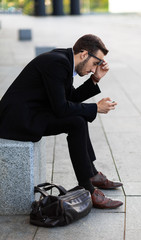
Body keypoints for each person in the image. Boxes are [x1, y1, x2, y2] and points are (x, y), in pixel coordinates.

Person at [0, 34, 123, 209]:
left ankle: (92, 175)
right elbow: (61, 108)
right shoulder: (57, 63)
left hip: (33, 112)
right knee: (77, 122)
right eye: (96, 63)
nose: (95, 68)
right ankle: (88, 187)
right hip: (18, 120)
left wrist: (95, 79)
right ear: (83, 54)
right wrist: (95, 108)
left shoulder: (64, 60)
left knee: (79, 118)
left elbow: (70, 98)